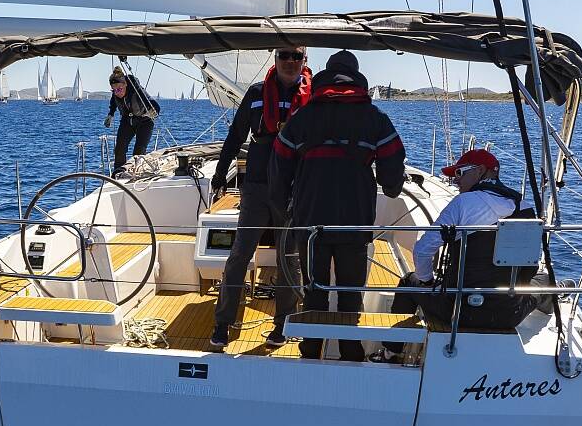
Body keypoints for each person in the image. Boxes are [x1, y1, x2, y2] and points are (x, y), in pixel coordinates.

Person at [270, 50, 406, 361]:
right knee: (350, 292)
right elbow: (393, 160)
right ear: (357, 78)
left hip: (311, 219)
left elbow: (279, 164)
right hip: (354, 220)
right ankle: (350, 352)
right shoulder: (375, 119)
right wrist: (391, 187)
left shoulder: (302, 118)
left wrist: (283, 206)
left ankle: (310, 352)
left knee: (314, 290)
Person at [369, 149, 540, 363]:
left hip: (461, 311)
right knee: (535, 289)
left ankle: (390, 353)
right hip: (509, 314)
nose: (454, 180)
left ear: (480, 171)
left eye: (459, 173)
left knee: (407, 283)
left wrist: (427, 281)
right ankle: (553, 293)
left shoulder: (463, 203)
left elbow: (423, 250)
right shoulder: (526, 209)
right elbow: (529, 267)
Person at [208, 47, 312, 350]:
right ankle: (222, 323)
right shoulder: (255, 93)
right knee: (240, 254)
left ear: (304, 60)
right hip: (255, 185)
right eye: (284, 55)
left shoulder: (314, 95)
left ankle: (283, 324)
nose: (290, 61)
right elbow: (235, 135)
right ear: (275, 58)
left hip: (293, 187)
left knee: (288, 259)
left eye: (296, 56)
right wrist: (220, 172)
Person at [103, 65, 160, 177]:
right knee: (119, 149)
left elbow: (155, 105)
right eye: (113, 90)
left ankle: (136, 174)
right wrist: (110, 114)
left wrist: (153, 112)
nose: (117, 92)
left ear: (125, 84)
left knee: (138, 152)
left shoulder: (137, 91)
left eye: (119, 89)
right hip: (127, 120)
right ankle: (118, 174)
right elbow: (113, 102)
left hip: (145, 121)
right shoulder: (116, 93)